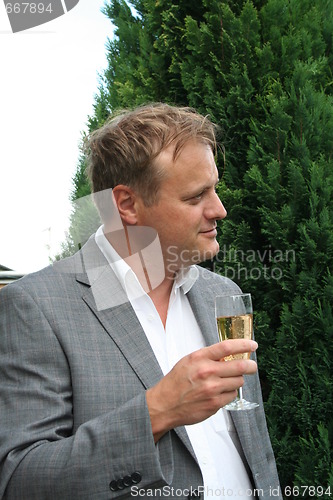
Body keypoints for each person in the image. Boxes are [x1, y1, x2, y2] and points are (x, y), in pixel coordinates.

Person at [0, 103, 281, 499]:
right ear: (127, 205)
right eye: (196, 196)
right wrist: (158, 409)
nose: (219, 209)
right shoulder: (36, 307)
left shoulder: (223, 293)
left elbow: (257, 455)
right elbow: (21, 481)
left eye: (214, 188)